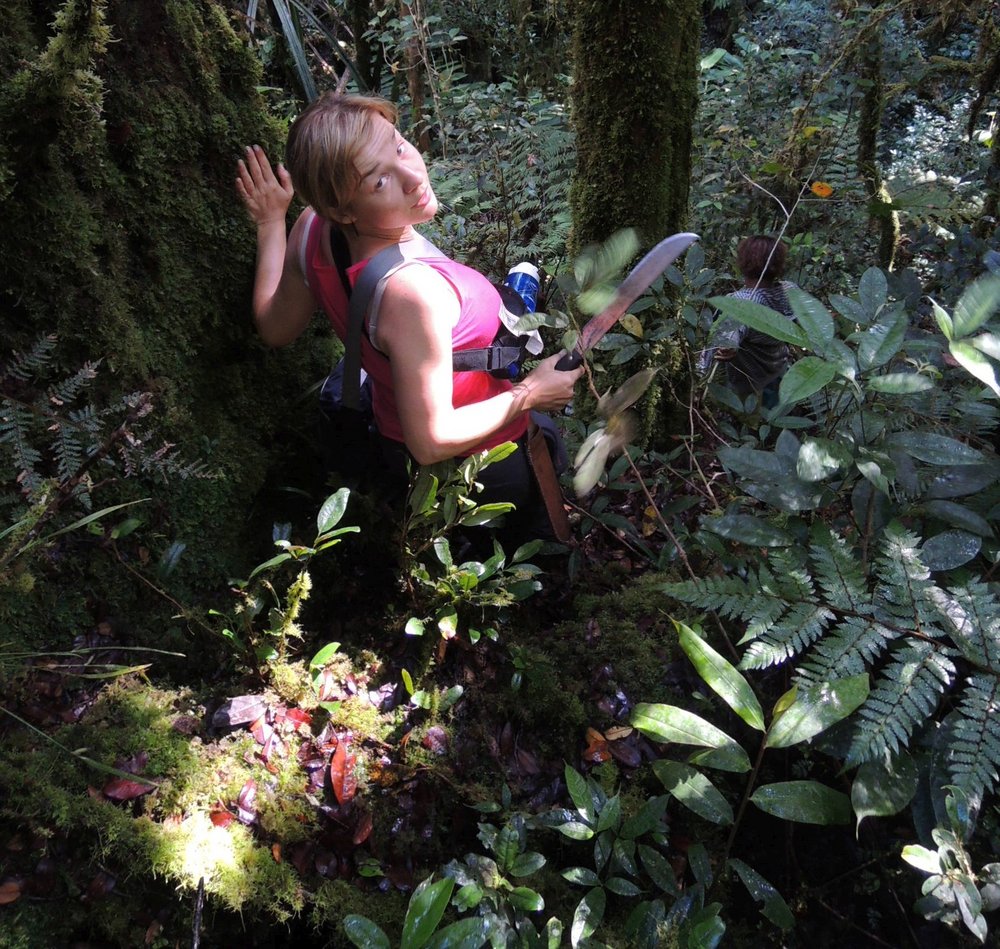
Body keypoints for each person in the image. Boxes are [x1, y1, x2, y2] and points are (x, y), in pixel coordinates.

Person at [235, 92, 582, 549]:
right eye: (378, 181)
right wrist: (531, 393)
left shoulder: (310, 232)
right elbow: (433, 439)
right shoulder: (412, 295)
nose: (412, 175)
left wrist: (270, 222)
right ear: (342, 209)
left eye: (398, 147)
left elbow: (274, 327)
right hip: (481, 471)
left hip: (393, 439)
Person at [705, 235, 796, 408]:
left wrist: (725, 346)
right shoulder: (790, 291)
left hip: (749, 392)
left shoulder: (743, 302)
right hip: (782, 378)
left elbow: (729, 336)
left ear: (743, 262)